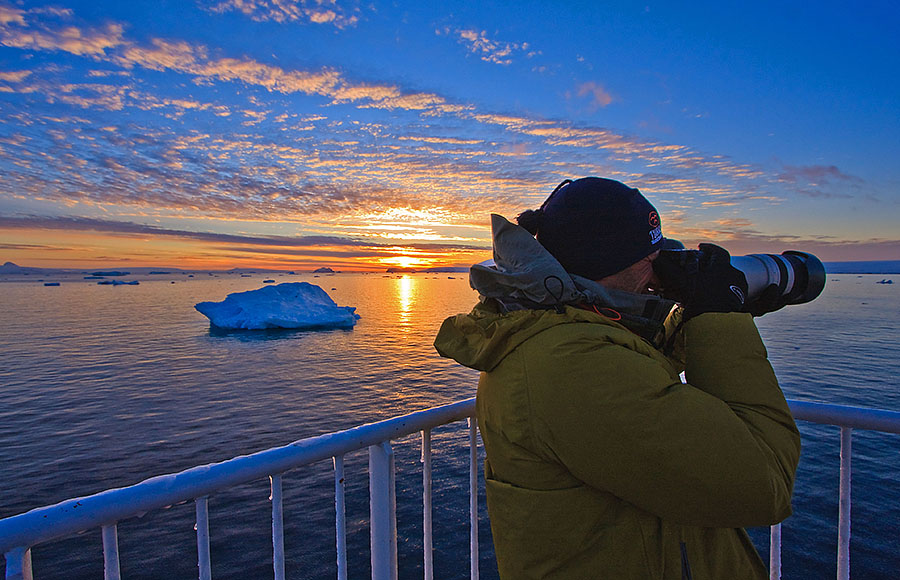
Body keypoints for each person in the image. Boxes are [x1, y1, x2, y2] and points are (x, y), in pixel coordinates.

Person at [433, 177, 801, 579]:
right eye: (651, 259)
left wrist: (705, 312)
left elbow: (641, 368)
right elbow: (766, 482)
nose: (659, 275)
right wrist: (723, 319)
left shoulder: (567, 333)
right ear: (609, 263)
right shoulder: (570, 365)